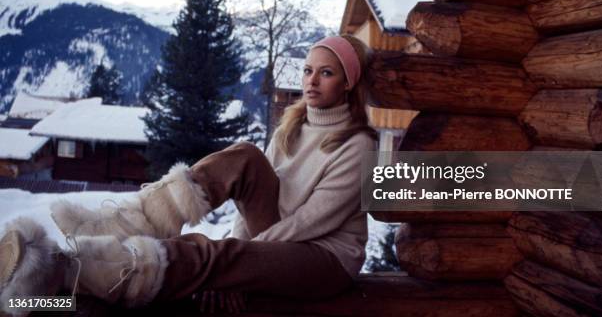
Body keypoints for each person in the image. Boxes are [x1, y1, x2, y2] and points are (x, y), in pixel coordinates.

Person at [0, 35, 377, 314]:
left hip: (323, 259)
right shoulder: (290, 128)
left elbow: (309, 223)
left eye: (326, 73)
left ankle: (62, 273)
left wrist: (237, 268)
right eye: (308, 70)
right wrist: (238, 262)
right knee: (244, 156)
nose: (311, 81)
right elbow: (255, 206)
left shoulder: (359, 146)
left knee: (209, 255)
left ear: (347, 83)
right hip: (280, 239)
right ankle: (125, 223)